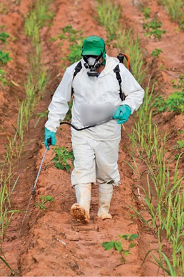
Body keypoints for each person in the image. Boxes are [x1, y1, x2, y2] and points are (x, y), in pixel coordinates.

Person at [44, 35, 144, 223]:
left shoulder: (117, 70)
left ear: (103, 55)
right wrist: (51, 127)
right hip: (82, 130)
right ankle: (82, 208)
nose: (90, 61)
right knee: (82, 168)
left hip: (108, 131)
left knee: (106, 170)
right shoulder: (74, 71)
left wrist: (128, 106)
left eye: (94, 57)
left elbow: (137, 92)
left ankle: (103, 211)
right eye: (87, 57)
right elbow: (60, 100)